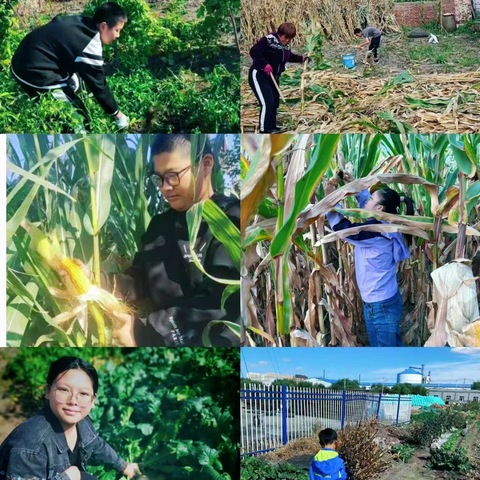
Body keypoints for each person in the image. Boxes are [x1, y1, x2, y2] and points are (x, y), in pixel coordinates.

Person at [113, 134, 240, 347]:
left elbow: (222, 302)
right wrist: (102, 284)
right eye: (159, 178)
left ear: (206, 164)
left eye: (172, 176)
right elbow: (140, 280)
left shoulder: (232, 219)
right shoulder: (159, 227)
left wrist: (144, 332)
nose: (164, 187)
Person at [0, 356, 140, 480]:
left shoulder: (81, 421)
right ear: (48, 392)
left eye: (83, 394)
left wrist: (125, 467)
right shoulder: (31, 446)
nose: (73, 401)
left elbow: (97, 445)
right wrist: (67, 477)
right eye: (64, 390)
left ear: (93, 400)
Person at [325, 174, 414, 347]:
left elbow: (343, 230)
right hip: (388, 299)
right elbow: (369, 209)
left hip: (379, 306)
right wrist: (356, 186)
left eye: (371, 198)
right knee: (392, 346)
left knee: (383, 353)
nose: (368, 200)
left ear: (380, 207)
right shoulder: (388, 223)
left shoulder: (376, 232)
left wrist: (331, 200)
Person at [10, 2, 129, 131]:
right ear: (104, 26)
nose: (117, 36)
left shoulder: (81, 21)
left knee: (74, 83)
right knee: (80, 122)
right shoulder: (91, 44)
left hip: (21, 59)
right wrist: (118, 114)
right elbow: (98, 86)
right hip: (34, 72)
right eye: (117, 30)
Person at [248, 22, 309, 133]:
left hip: (273, 78)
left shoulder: (285, 46)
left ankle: (272, 128)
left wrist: (302, 59)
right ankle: (264, 130)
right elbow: (254, 51)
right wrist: (264, 64)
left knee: (275, 102)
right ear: (280, 34)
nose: (287, 40)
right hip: (259, 75)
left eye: (290, 38)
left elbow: (288, 56)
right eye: (285, 37)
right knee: (267, 102)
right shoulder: (268, 40)